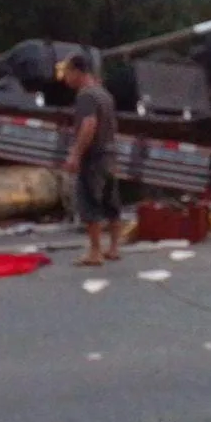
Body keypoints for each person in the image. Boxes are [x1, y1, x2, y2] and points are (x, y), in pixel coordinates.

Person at [60, 53, 121, 266]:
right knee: (110, 201)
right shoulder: (104, 94)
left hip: (94, 157)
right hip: (110, 154)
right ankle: (113, 248)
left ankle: (95, 252)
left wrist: (75, 154)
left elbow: (89, 124)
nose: (65, 78)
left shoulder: (85, 96)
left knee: (89, 202)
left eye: (67, 72)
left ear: (77, 72)